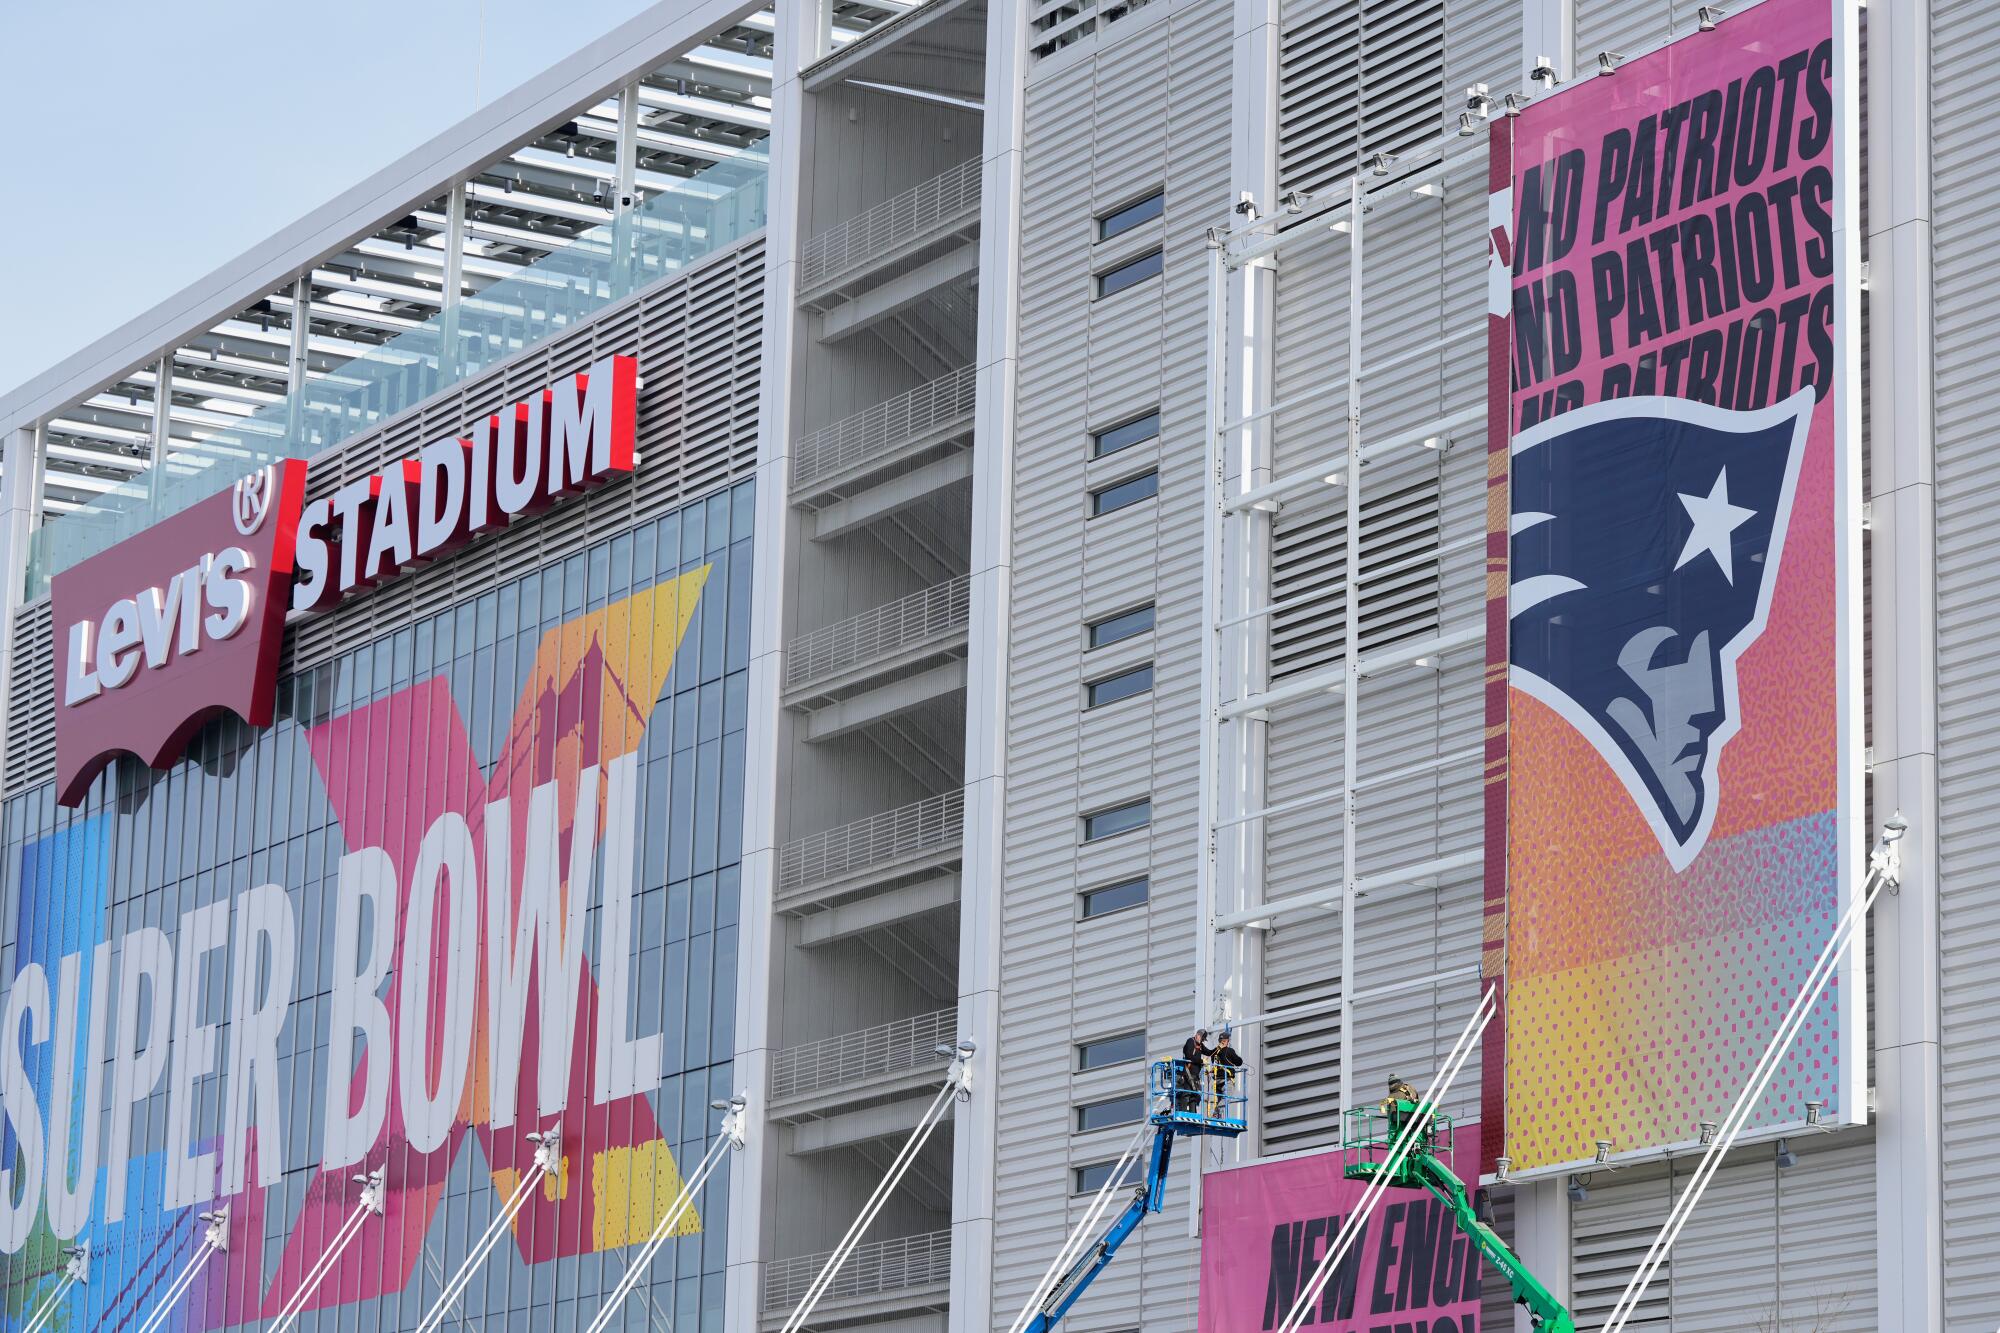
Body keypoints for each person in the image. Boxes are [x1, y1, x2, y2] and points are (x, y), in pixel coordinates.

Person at [1209, 1030, 1244, 1117]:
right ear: (1226, 1041)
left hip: (1217, 1081)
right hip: (1226, 1079)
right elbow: (1239, 1062)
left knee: (1221, 1099)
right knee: (1226, 1098)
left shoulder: (1214, 1052)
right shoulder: (1229, 1051)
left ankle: (1218, 1117)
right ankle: (1215, 1114)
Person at [1177, 1028, 1211, 1111]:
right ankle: (1184, 1111)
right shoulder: (1190, 1041)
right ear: (1198, 1035)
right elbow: (1189, 1056)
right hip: (1188, 1072)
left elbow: (1209, 1052)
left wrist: (1219, 1048)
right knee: (1187, 1093)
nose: (1202, 1041)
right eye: (1202, 1039)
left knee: (1194, 1094)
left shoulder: (1200, 1045)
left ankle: (1192, 1113)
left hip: (1195, 1074)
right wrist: (1201, 1061)